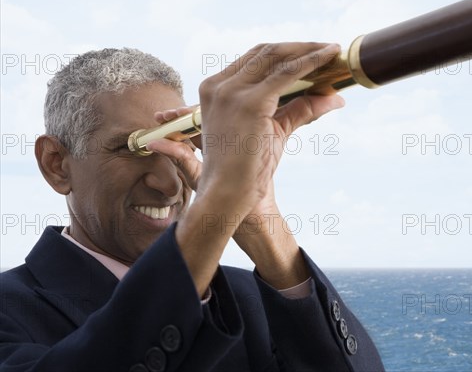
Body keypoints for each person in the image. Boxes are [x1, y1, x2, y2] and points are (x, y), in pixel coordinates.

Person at [0, 44, 385, 371]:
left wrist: (260, 218)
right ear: (56, 163)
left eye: (179, 144)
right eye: (133, 149)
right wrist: (222, 197)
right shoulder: (10, 309)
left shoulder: (249, 295)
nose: (169, 184)